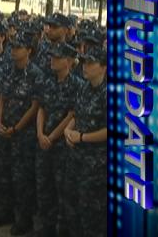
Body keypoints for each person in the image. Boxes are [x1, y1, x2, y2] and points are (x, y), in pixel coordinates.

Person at [0, 32, 42, 235]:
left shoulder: (36, 74)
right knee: (3, 174)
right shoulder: (8, 71)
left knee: (22, 179)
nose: (13, 50)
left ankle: (24, 218)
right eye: (12, 47)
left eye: (18, 47)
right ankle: (5, 210)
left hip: (23, 135)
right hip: (5, 131)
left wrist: (17, 128)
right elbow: (2, 98)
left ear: (28, 50)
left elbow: (34, 106)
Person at [35, 43, 83, 237]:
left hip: (61, 147)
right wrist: (40, 134)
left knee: (62, 191)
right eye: (52, 56)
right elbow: (41, 108)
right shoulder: (49, 81)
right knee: (43, 187)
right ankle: (46, 227)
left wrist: (51, 137)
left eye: (57, 57)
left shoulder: (77, 85)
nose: (52, 60)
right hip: (43, 142)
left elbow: (72, 115)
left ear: (69, 61)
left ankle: (60, 230)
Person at [63, 47, 107, 237]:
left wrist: (81, 137)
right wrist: (68, 129)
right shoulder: (84, 87)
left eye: (90, 63)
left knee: (91, 212)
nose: (85, 67)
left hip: (96, 163)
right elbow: (76, 114)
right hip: (76, 158)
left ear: (103, 67)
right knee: (72, 205)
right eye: (84, 62)